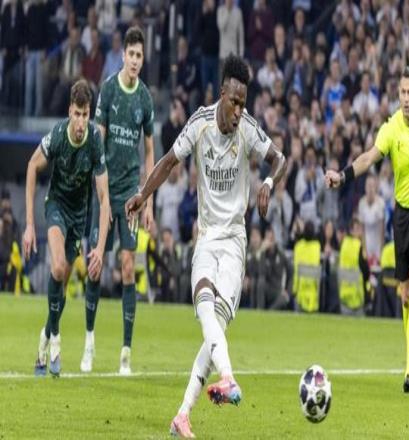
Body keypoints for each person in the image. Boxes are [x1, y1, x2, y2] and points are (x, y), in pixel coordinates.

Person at [125, 54, 286, 437]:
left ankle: (185, 411)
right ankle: (220, 384)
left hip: (234, 242)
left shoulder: (248, 129)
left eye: (244, 103)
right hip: (207, 237)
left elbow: (279, 159)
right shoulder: (199, 123)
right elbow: (169, 161)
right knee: (204, 309)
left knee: (215, 326)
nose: (239, 111)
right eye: (234, 102)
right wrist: (143, 194)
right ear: (222, 94)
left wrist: (268, 182)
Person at [325, 66, 409, 393]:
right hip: (401, 215)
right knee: (405, 294)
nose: (407, 98)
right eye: (402, 93)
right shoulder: (391, 128)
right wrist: (342, 175)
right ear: (398, 95)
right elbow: (369, 158)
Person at [80, 26, 155, 375]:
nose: (135, 60)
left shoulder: (145, 99)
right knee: (96, 265)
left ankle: (126, 352)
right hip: (105, 192)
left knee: (127, 265)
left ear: (143, 58)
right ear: (123, 55)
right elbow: (98, 141)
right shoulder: (109, 89)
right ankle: (89, 341)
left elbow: (150, 151)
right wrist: (99, 192)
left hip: (130, 197)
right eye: (132, 54)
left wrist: (148, 200)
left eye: (140, 55)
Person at [23, 80, 110, 377]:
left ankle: (44, 339)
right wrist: (30, 225)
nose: (81, 122)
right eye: (77, 114)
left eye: (85, 115)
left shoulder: (95, 140)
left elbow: (104, 198)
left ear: (89, 114)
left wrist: (99, 248)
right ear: (69, 111)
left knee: (60, 289)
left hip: (79, 217)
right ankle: (56, 339)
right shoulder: (58, 135)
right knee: (58, 267)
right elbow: (32, 166)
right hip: (56, 206)